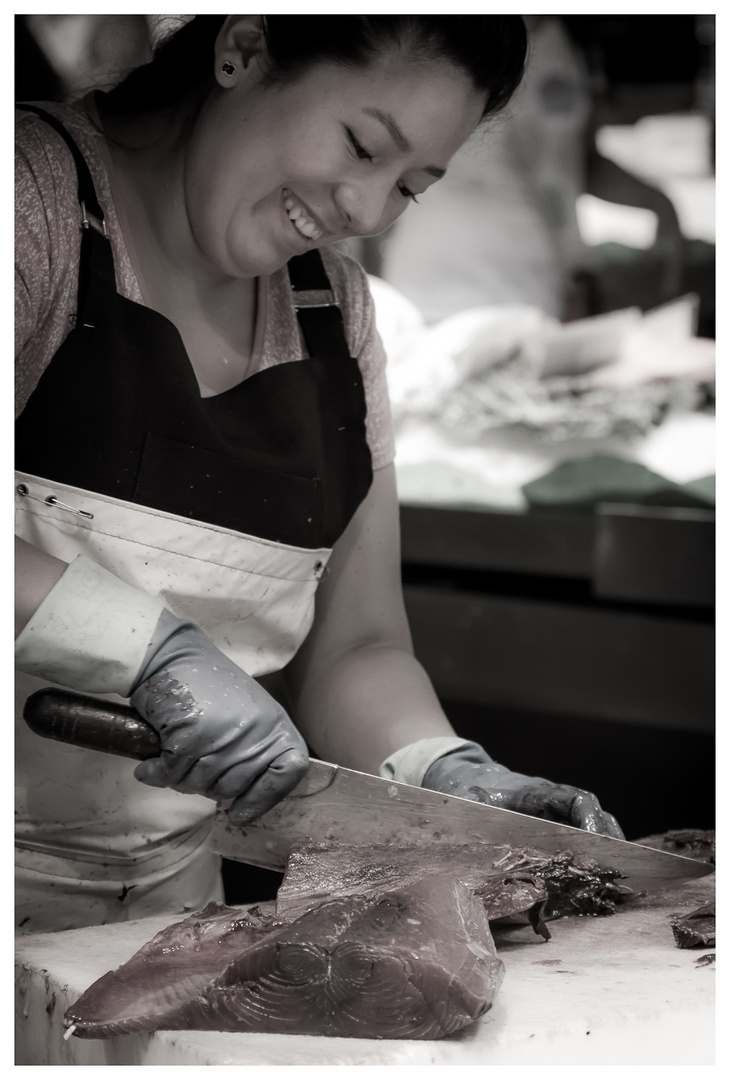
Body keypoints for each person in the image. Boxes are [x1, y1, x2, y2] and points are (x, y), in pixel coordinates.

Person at [15, 14, 623, 937]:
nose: (366, 210)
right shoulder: (31, 204)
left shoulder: (335, 313)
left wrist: (443, 775)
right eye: (362, 144)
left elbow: (359, 648)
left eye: (411, 187)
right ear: (245, 47)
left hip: (158, 924)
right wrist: (149, 651)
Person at [380, 15, 684, 325]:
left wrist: (659, 202)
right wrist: (575, 267)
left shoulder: (562, 38)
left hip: (501, 274)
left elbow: (578, 161)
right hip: (481, 278)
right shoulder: (493, 35)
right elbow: (551, 178)